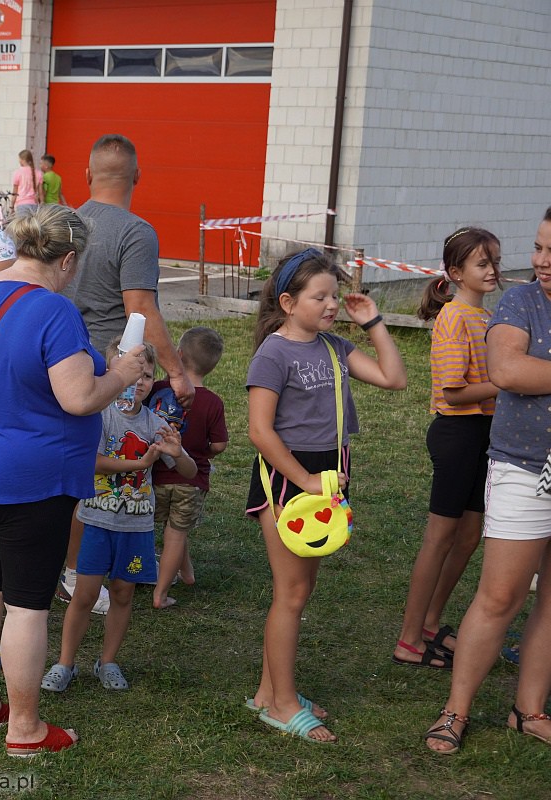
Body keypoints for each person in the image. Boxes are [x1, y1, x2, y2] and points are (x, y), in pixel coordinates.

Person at [0, 204, 146, 756]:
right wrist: (124, 372)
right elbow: (78, 398)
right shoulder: (55, 310)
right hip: (33, 474)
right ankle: (25, 726)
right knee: (29, 603)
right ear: (66, 258)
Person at [246, 248, 406, 743]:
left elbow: (394, 378)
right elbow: (259, 431)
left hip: (328, 477)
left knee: (300, 590)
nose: (333, 304)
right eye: (322, 297)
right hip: (288, 479)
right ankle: (283, 705)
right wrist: (306, 480)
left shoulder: (335, 347)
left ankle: (268, 692)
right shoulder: (273, 353)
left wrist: (373, 322)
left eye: (335, 295)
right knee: (290, 594)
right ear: (289, 302)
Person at [423, 210, 551, 754]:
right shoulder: (522, 302)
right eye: (541, 247)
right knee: (499, 596)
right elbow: (509, 371)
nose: (541, 261)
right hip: (524, 466)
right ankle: (455, 711)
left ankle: (529, 710)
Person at [59, 133, 196, 610]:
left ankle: (82, 565)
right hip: (111, 373)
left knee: (79, 467)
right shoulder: (136, 231)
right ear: (137, 176)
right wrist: (177, 373)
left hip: (62, 365)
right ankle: (79, 574)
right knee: (94, 475)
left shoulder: (67, 223)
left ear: (86, 175)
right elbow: (142, 308)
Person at [42, 339, 196, 693]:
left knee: (124, 593)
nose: (138, 382)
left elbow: (187, 470)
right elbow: (91, 461)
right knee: (85, 594)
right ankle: (65, 662)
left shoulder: (156, 422)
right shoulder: (98, 416)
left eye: (146, 375)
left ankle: (107, 661)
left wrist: (177, 452)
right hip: (96, 520)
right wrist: (139, 464)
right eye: (130, 373)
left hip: (136, 525)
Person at [394, 228, 500, 670]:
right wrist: (513, 380)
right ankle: (408, 639)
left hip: (484, 433)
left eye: (495, 260)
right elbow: (454, 393)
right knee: (439, 539)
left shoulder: (484, 318)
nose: (493, 270)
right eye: (482, 263)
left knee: (469, 536)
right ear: (456, 273)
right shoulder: (454, 318)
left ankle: (432, 622)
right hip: (458, 433)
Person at [151, 327, 229, 609]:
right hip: (191, 480)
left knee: (166, 528)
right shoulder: (213, 403)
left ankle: (180, 575)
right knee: (177, 531)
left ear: (179, 356)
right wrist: (202, 452)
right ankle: (162, 592)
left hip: (156, 477)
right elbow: (220, 445)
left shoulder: (159, 390)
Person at [10, 149, 42, 217]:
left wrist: (11, 207)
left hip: (21, 204)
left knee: (22, 227)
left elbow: (15, 193)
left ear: (22, 160)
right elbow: (41, 193)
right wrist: (42, 206)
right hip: (34, 204)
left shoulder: (17, 172)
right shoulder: (39, 173)